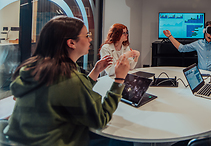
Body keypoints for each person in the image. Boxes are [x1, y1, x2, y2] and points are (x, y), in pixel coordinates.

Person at [4, 16, 131, 146]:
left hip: (22, 140)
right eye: (87, 35)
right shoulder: (69, 79)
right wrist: (119, 79)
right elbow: (100, 119)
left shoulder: (37, 69)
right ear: (71, 43)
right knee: (125, 141)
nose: (90, 39)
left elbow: (72, 92)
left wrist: (96, 71)